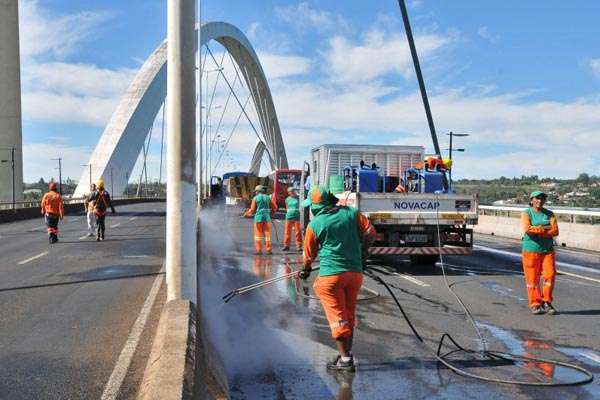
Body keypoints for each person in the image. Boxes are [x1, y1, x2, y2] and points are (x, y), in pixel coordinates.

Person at [300, 185, 376, 372]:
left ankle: (345, 360)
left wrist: (305, 271)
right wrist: (363, 255)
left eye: (311, 205)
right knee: (349, 316)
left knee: (338, 319)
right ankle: (346, 356)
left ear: (317, 205)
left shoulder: (315, 224)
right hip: (354, 274)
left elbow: (308, 256)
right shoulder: (350, 213)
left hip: (330, 277)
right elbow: (371, 232)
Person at [521, 190, 559, 315]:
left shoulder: (549, 214)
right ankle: (535, 303)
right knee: (532, 278)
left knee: (550, 275)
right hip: (531, 250)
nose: (539, 200)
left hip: (547, 250)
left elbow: (555, 231)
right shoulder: (526, 213)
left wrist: (537, 230)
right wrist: (544, 229)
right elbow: (527, 229)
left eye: (542, 198)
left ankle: (546, 301)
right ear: (531, 200)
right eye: (537, 198)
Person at [244, 185, 277, 255]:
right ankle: (268, 250)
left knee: (258, 235)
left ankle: (259, 250)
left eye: (256, 191)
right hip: (267, 218)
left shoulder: (255, 198)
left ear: (258, 191)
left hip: (258, 219)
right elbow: (274, 207)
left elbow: (252, 210)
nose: (255, 193)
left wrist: (246, 214)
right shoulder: (268, 198)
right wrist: (271, 214)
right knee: (267, 235)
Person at [283, 187, 302, 251]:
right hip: (288, 217)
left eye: (292, 191)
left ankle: (299, 246)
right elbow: (287, 208)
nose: (291, 193)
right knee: (287, 232)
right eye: (290, 192)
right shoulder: (287, 199)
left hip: (296, 217)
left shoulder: (298, 199)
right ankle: (286, 246)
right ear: (288, 193)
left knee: (298, 232)